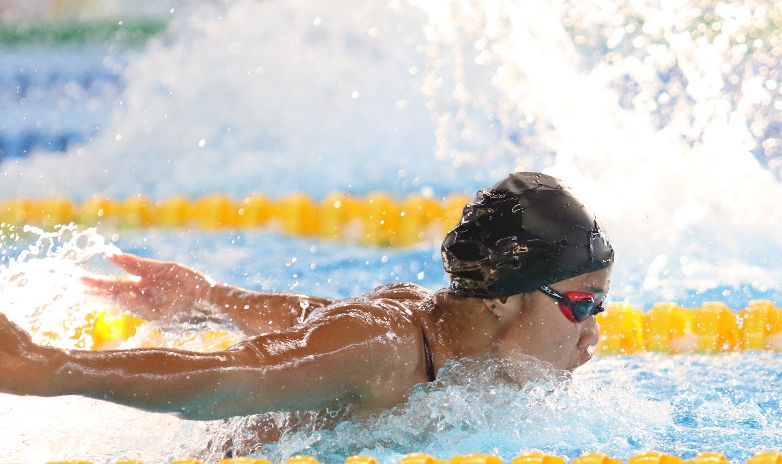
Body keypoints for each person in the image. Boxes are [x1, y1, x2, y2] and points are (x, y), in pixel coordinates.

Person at [0, 172, 613, 427]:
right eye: (580, 305)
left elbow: (314, 325)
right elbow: (229, 378)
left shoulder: (439, 336)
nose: (592, 336)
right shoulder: (388, 347)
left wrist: (212, 299)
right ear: (499, 299)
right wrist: (51, 368)